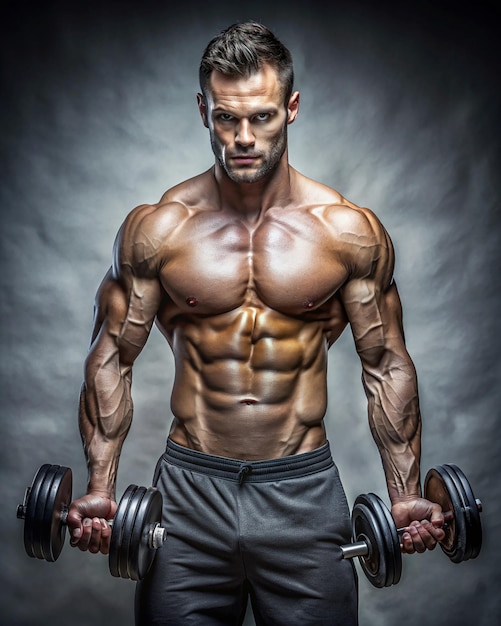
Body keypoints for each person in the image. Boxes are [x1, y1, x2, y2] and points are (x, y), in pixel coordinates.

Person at [67, 21, 445, 625]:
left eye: (263, 117)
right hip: (189, 500)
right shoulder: (158, 230)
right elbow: (111, 354)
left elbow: (386, 362)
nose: (243, 137)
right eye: (225, 118)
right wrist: (100, 488)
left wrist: (403, 493)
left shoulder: (346, 231)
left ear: (291, 108)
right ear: (203, 110)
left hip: (303, 496)